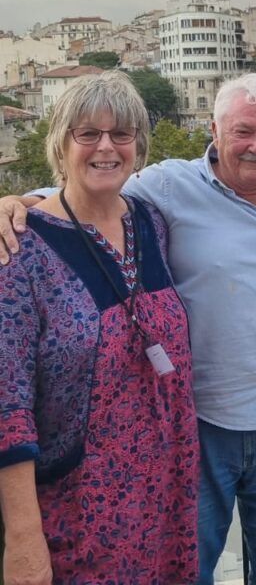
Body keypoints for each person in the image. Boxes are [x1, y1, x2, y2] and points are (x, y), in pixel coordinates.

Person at [0, 73, 256, 585]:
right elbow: (86, 193)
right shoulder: (167, 191)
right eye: (242, 132)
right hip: (189, 433)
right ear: (213, 130)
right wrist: (20, 203)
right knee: (192, 568)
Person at [0, 71, 198, 585]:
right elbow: (7, 404)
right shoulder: (19, 252)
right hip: (78, 506)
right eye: (87, 133)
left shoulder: (150, 223)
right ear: (60, 143)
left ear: (139, 145)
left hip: (166, 491)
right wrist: (23, 536)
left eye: (121, 134)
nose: (106, 147)